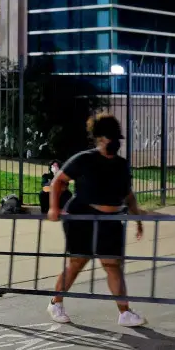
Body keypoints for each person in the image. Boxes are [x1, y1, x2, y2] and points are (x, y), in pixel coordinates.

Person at [45, 113, 146, 328]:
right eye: (110, 137)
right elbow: (58, 181)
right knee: (77, 262)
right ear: (100, 139)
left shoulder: (121, 165)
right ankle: (56, 302)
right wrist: (54, 208)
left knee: (113, 265)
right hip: (82, 217)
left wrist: (137, 218)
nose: (114, 142)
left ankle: (124, 312)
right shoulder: (84, 159)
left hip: (110, 220)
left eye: (116, 138)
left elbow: (128, 194)